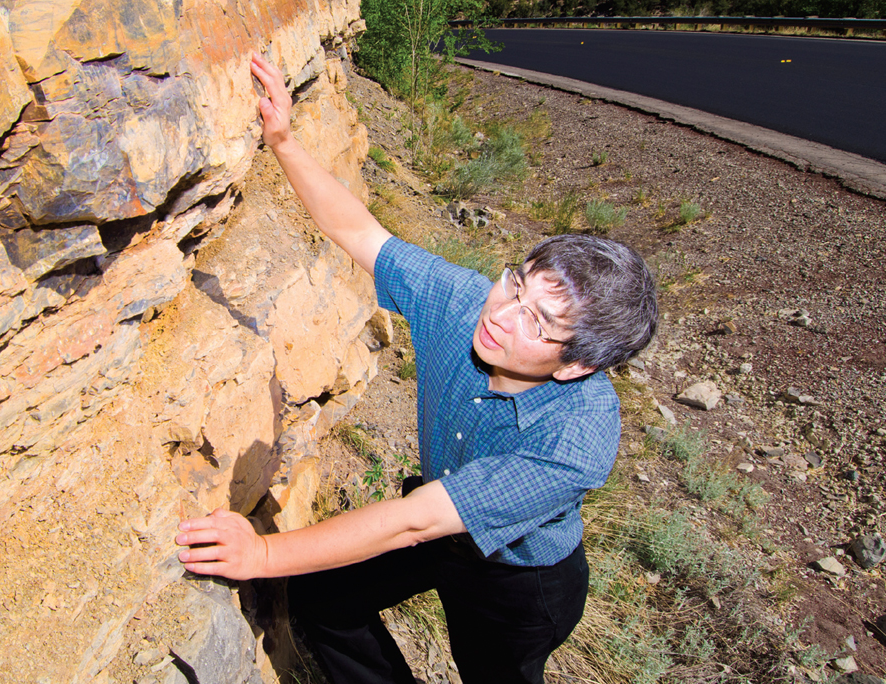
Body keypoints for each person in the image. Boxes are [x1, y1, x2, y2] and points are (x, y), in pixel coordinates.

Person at [175, 54, 659, 684]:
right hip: (436, 522)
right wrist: (285, 142)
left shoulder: (578, 437)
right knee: (323, 600)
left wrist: (263, 551)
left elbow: (416, 519)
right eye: (516, 285)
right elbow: (363, 235)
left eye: (538, 324)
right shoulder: (464, 303)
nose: (503, 315)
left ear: (575, 366)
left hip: (517, 578)